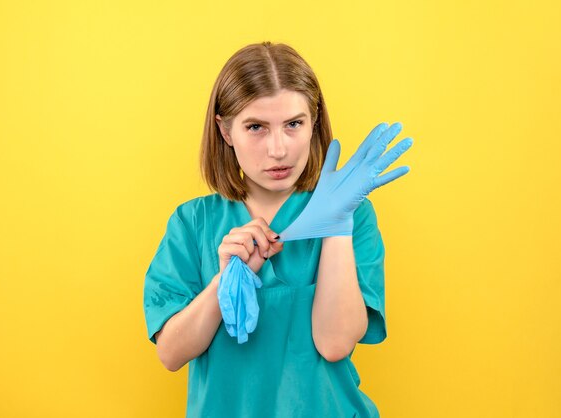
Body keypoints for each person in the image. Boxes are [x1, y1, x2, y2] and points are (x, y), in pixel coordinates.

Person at [144, 41, 394, 418]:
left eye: (294, 124)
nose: (278, 150)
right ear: (226, 131)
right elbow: (171, 354)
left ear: (314, 123)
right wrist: (225, 281)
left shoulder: (353, 217)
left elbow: (335, 343)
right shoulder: (192, 223)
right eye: (256, 127)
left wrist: (337, 224)